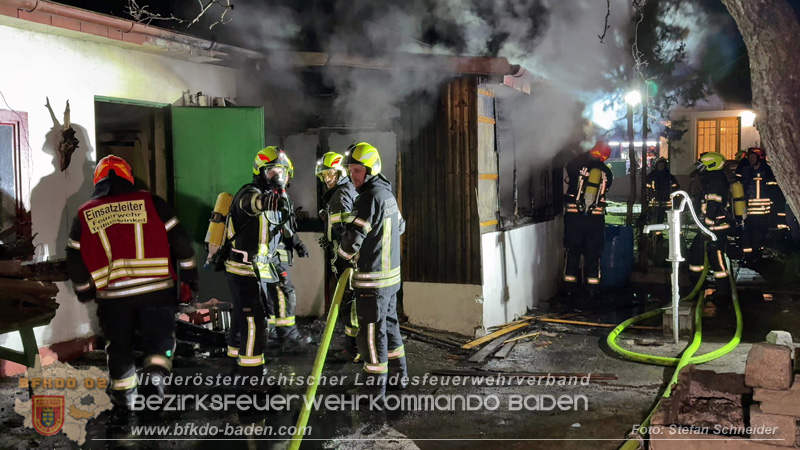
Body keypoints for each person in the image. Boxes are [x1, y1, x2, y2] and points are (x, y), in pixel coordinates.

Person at [66, 155, 198, 413]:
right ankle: (156, 382)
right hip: (157, 293)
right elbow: (181, 242)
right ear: (128, 176)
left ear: (97, 180)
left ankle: (125, 398)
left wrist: (84, 290)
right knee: (160, 342)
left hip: (113, 298)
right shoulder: (152, 202)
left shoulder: (84, 213)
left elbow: (74, 258)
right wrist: (190, 278)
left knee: (119, 346)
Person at [224, 146, 310, 383]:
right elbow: (254, 203)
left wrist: (296, 242)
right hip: (245, 270)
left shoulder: (279, 201)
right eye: (272, 171)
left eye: (282, 171)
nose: (278, 177)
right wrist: (271, 199)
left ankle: (234, 363)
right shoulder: (248, 193)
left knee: (243, 319)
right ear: (259, 172)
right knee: (255, 322)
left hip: (259, 269)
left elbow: (282, 227)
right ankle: (253, 380)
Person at [335, 142, 407, 400]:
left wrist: (341, 260)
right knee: (389, 327)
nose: (352, 176)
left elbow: (354, 236)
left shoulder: (367, 198)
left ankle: (373, 387)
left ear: (371, 170)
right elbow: (400, 227)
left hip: (372, 281)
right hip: (390, 280)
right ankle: (399, 376)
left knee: (370, 335)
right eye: (350, 170)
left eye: (357, 170)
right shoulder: (387, 195)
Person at [316, 151, 359, 362]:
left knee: (350, 306)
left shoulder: (341, 194)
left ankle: (354, 349)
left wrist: (338, 247)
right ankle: (353, 347)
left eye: (331, 174)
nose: (327, 179)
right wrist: (328, 235)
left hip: (347, 259)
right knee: (349, 305)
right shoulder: (343, 192)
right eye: (324, 175)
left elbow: (345, 229)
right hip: (346, 256)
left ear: (341, 173)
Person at [562, 141, 613, 296]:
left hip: (574, 219)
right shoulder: (606, 173)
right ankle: (592, 290)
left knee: (573, 252)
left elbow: (567, 168)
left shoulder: (576, 165)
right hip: (595, 221)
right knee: (593, 254)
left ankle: (569, 289)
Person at [687, 152, 733, 303]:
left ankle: (722, 293)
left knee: (716, 259)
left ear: (711, 165)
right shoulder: (711, 179)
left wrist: (707, 223)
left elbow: (713, 205)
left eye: (702, 165)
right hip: (708, 228)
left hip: (715, 229)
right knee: (696, 254)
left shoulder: (716, 181)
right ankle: (698, 286)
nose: (700, 168)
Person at [737, 147, 779, 265]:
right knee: (746, 235)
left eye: (752, 157)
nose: (750, 159)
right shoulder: (746, 171)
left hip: (762, 211)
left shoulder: (767, 171)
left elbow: (773, 191)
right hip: (748, 210)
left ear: (760, 158)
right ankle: (748, 257)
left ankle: (757, 257)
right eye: (749, 157)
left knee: (758, 236)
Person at [645, 157, 680, 225]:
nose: (661, 167)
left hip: (666, 200)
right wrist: (651, 193)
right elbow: (647, 185)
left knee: (668, 218)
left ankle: (664, 232)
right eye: (659, 165)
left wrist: (671, 191)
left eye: (662, 165)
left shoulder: (669, 176)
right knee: (653, 217)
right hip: (654, 200)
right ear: (656, 166)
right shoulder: (652, 175)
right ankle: (654, 233)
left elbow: (676, 185)